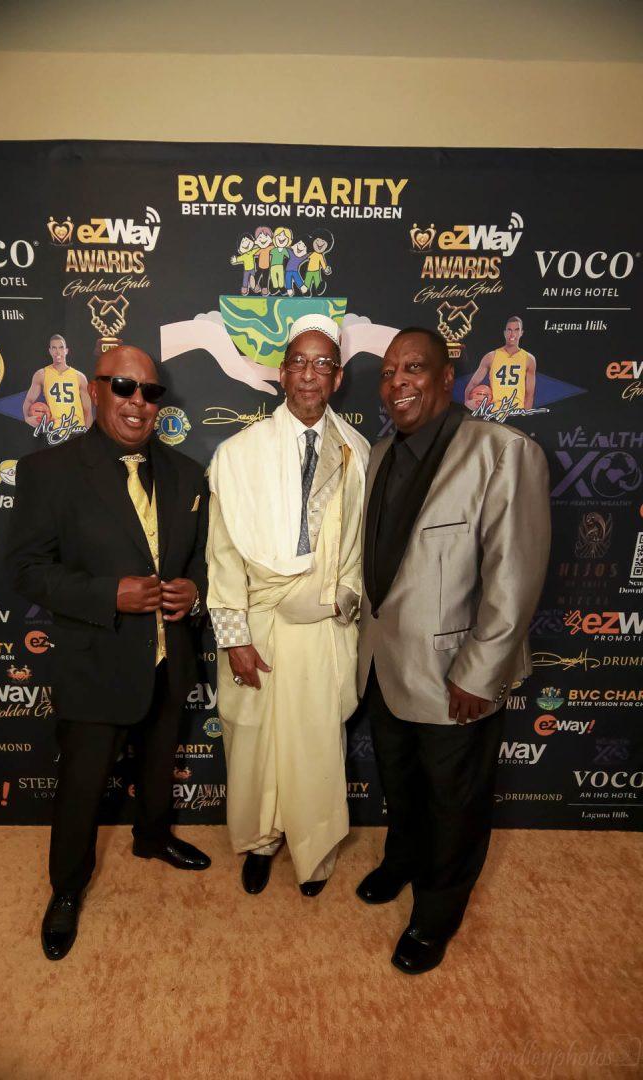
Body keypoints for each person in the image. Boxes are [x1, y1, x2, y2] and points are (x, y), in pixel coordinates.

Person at [7, 345, 210, 961]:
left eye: (150, 392)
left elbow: (204, 557)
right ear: (95, 390)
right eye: (124, 387)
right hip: (95, 660)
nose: (138, 402)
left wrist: (196, 590)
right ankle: (67, 888)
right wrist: (107, 594)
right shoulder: (48, 471)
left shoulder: (187, 473)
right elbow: (25, 569)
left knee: (159, 762)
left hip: (169, 656)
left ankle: (152, 835)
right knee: (82, 786)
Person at [357, 327, 550, 974]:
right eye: (388, 372)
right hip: (385, 665)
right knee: (401, 785)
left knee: (454, 803)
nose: (397, 382)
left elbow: (514, 578)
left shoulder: (503, 451)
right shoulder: (379, 454)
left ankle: (436, 915)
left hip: (457, 677)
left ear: (447, 377)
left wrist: (481, 673)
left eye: (413, 368)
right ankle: (402, 860)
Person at [206, 313, 370, 896]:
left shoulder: (356, 451)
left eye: (322, 364)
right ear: (281, 373)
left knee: (314, 747)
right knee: (254, 743)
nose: (308, 374)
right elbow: (223, 554)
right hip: (259, 623)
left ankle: (314, 850)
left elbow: (359, 548)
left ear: (338, 377)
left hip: (323, 628)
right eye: (298, 362)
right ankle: (260, 841)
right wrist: (235, 638)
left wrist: (341, 600)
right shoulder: (239, 453)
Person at [22, 334, 93, 435]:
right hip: (55, 432)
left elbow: (88, 410)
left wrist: (88, 434)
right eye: (54, 348)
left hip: (77, 429)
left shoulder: (79, 377)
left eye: (61, 347)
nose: (58, 352)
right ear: (50, 351)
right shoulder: (41, 374)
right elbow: (29, 400)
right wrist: (27, 418)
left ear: (66, 350)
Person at [464, 315, 537, 413]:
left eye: (516, 330)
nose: (512, 334)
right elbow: (473, 383)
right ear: (505, 333)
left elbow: (529, 394)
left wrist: (524, 417)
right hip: (494, 413)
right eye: (509, 330)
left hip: (516, 411)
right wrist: (466, 402)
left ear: (521, 333)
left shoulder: (529, 359)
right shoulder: (490, 357)